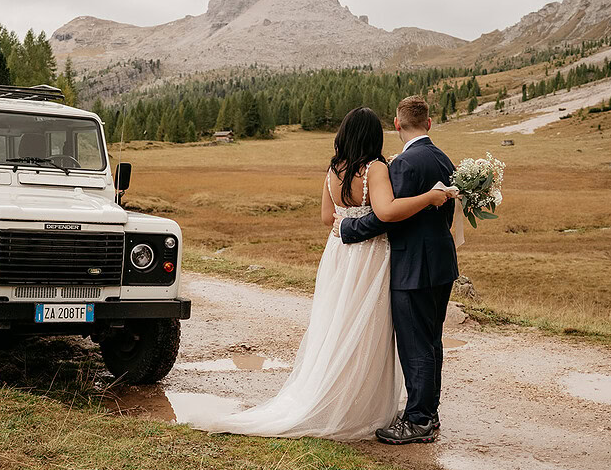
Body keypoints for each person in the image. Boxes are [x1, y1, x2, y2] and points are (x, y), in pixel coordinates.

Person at [192, 107, 453, 441]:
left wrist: (345, 226)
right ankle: (383, 407)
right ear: (375, 134)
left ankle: (342, 396)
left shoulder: (333, 169)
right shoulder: (376, 168)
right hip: (370, 257)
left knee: (338, 326)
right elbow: (386, 213)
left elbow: (326, 218)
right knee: (368, 331)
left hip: (339, 258)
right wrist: (430, 197)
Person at [335, 95, 458, 444]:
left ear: (397, 125)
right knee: (432, 342)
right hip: (441, 262)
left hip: (412, 266)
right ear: (429, 124)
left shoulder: (402, 165)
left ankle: (418, 421)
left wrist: (347, 230)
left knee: (415, 344)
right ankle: (428, 413)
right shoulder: (443, 158)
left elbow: (385, 217)